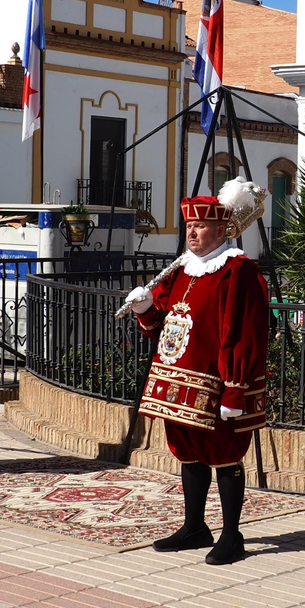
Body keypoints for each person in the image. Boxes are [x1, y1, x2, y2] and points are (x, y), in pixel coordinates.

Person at [124, 179, 268, 565]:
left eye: (200, 226)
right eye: (189, 226)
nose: (192, 233)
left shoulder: (238, 271)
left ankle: (232, 535)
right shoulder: (182, 270)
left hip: (218, 386)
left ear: (221, 231)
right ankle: (194, 527)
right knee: (188, 454)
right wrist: (145, 308)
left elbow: (244, 333)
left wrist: (235, 389)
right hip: (177, 385)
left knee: (224, 456)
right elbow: (164, 327)